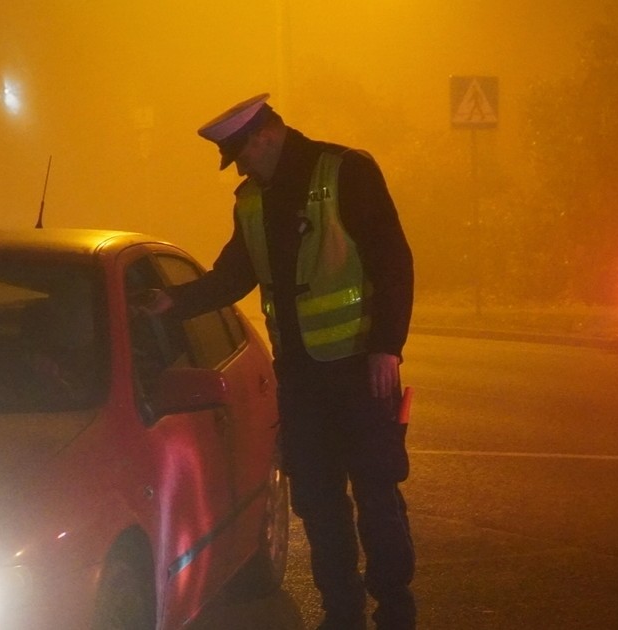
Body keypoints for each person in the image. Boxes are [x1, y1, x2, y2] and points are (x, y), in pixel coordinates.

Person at [145, 93, 415, 630]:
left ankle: (395, 614)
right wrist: (174, 303)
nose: (239, 166)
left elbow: (393, 259)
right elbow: (232, 275)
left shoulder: (346, 172)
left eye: (241, 154)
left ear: (266, 135)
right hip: (300, 378)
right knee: (317, 501)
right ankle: (342, 614)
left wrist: (387, 346)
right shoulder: (252, 200)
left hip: (360, 367)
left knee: (376, 495)